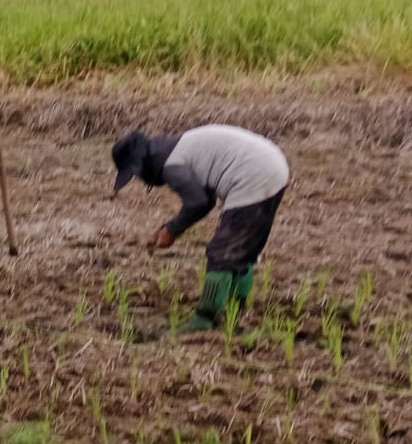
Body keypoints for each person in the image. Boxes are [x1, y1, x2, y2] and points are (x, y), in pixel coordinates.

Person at [111, 124, 290, 332]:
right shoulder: (180, 147)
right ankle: (233, 311)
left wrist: (172, 230)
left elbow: (197, 203)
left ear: (142, 165)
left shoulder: (172, 165)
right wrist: (172, 227)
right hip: (272, 165)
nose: (142, 180)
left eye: (137, 175)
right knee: (243, 249)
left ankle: (204, 320)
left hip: (252, 175)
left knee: (222, 252)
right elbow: (206, 201)